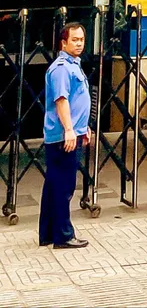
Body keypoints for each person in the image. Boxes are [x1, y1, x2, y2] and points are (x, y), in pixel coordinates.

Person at [39, 22, 91, 249]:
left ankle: (48, 233)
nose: (79, 43)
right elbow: (61, 100)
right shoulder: (61, 68)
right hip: (63, 135)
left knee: (53, 184)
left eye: (81, 39)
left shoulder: (73, 65)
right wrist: (70, 130)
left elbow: (78, 100)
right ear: (64, 42)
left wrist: (83, 127)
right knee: (64, 186)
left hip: (71, 132)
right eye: (74, 40)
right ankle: (63, 235)